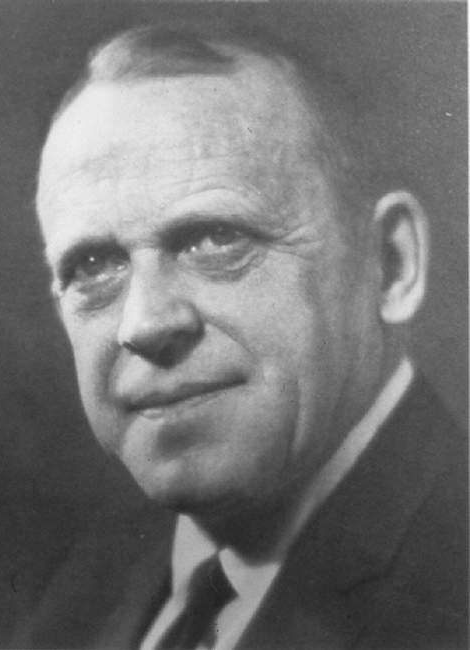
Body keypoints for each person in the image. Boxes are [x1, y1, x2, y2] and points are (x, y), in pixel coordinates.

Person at [26, 20, 468, 650]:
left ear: (390, 265)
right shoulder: (86, 588)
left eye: (216, 239)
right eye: (93, 266)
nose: (144, 323)